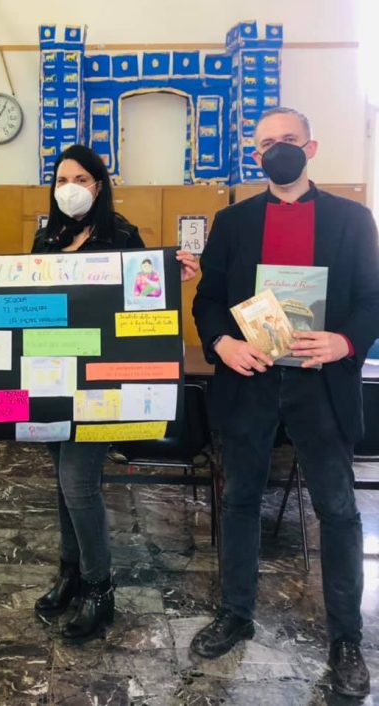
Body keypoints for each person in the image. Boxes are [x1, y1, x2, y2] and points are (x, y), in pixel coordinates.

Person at [191, 107, 379, 699]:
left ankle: (346, 638)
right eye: (267, 143)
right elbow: (208, 300)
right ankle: (236, 613)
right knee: (239, 501)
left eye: (289, 140)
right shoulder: (233, 222)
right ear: (256, 155)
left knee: (338, 510)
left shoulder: (352, 219)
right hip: (250, 380)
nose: (279, 149)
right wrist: (222, 344)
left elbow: (373, 298)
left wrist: (345, 340)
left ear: (311, 147)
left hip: (321, 383)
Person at [32, 144, 199, 641]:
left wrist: (171, 273)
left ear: (99, 185)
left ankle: (99, 589)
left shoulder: (123, 235)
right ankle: (70, 573)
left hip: (98, 383)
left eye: (81, 179)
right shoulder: (46, 238)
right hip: (50, 377)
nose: (70, 188)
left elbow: (143, 297)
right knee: (63, 483)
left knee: (79, 484)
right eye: (62, 180)